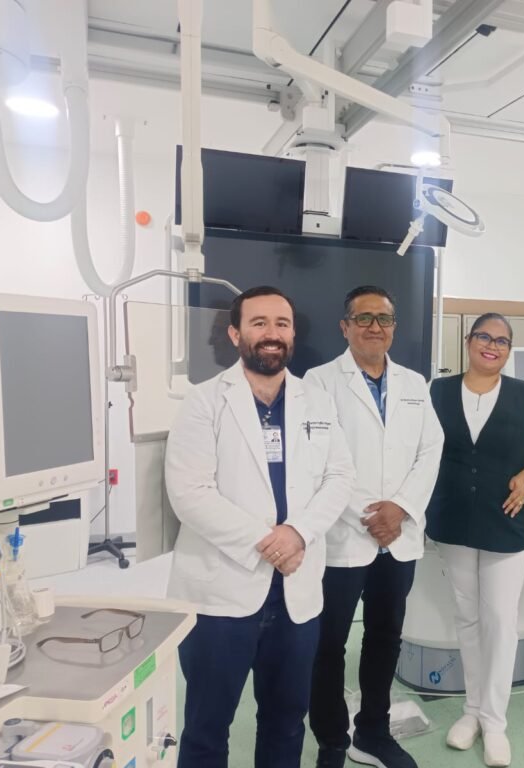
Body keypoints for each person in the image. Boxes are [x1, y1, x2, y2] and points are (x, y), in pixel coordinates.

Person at [165, 285, 356, 768]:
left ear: (292, 335)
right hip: (221, 595)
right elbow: (189, 493)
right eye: (259, 323)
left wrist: (298, 534)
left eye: (282, 324)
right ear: (235, 334)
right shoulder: (204, 401)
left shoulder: (316, 400)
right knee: (207, 728)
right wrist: (269, 542)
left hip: (295, 595)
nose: (272, 333)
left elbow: (339, 477)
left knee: (286, 721)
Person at [305, 286, 444, 768]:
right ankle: (331, 740)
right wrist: (370, 515)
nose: (374, 327)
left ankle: (373, 732)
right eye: (363, 318)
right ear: (345, 327)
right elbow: (319, 458)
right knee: (329, 643)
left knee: (385, 638)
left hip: (397, 540)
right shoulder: (319, 382)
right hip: (344, 536)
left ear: (394, 328)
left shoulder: (414, 383)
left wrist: (400, 508)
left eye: (383, 319)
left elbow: (431, 450)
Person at [426, 313, 524, 768]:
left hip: (506, 520)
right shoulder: (437, 391)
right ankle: (471, 711)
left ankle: (495, 722)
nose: (492, 345)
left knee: (501, 620)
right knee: (467, 617)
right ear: (469, 341)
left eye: (502, 341)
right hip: (453, 519)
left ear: (509, 350)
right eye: (484, 336)